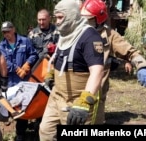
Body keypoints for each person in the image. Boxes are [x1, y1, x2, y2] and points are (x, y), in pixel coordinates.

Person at [39, 0, 105, 140]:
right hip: (57, 95)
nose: (57, 22)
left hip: (77, 98)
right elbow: (61, 56)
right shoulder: (65, 34)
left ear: (72, 15)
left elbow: (97, 71)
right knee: (46, 132)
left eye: (60, 17)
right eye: (56, 17)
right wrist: (52, 74)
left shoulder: (90, 37)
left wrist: (84, 102)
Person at [80, 0, 146, 124]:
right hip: (73, 89)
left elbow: (131, 52)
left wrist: (142, 66)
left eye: (89, 19)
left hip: (96, 93)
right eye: (82, 19)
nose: (84, 23)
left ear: (99, 19)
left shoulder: (110, 36)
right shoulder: (74, 33)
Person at [0, 21, 38, 141]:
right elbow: (4, 62)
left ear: (13, 30)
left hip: (26, 80)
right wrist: (17, 69)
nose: (6, 34)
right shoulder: (2, 46)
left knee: (26, 105)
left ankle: (26, 130)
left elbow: (33, 54)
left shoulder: (25, 41)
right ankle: (19, 131)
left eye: (8, 31)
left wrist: (27, 64)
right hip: (12, 81)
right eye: (4, 32)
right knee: (15, 106)